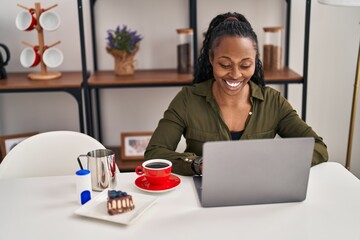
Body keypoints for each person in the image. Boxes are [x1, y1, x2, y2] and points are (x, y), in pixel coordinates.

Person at [145, 12, 328, 176]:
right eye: (225, 65)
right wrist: (197, 164)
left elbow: (318, 148)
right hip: (206, 193)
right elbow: (155, 153)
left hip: (261, 194)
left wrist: (276, 162)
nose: (235, 74)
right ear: (211, 58)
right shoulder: (188, 100)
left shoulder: (273, 102)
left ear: (255, 61)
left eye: (245, 65)